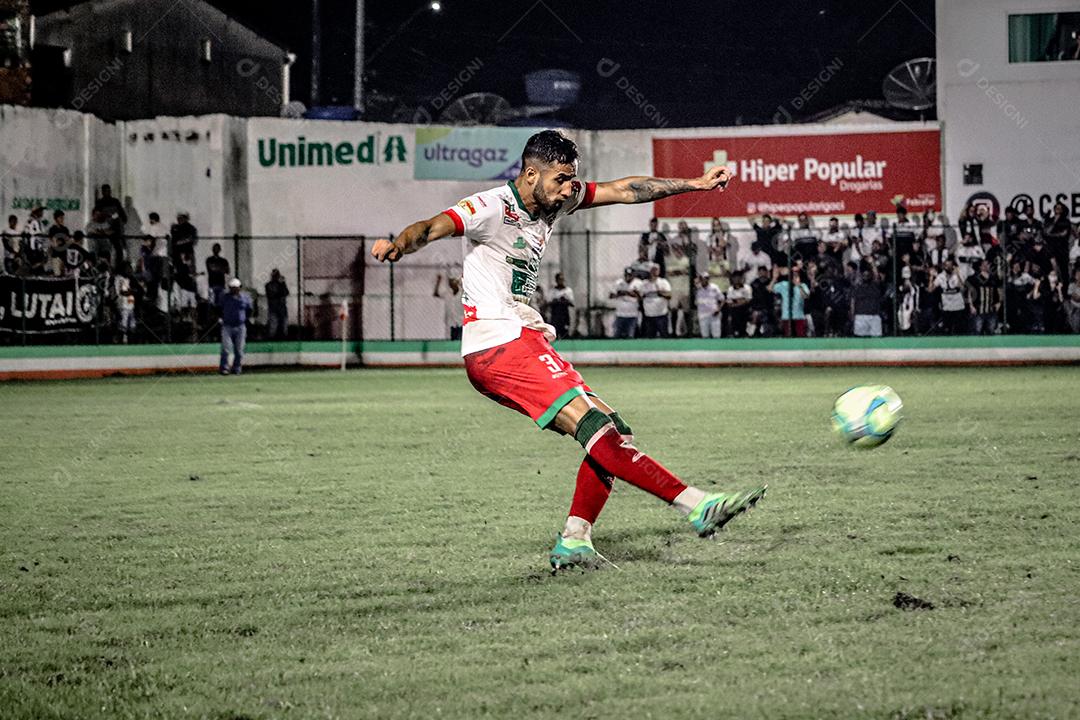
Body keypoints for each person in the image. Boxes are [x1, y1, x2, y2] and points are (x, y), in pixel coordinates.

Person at [369, 129, 765, 570]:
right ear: (531, 173)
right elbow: (431, 227)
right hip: (498, 343)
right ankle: (696, 504)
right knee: (597, 427)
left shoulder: (555, 199)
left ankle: (575, 539)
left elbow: (624, 190)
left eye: (571, 180)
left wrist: (694, 184)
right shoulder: (490, 206)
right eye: (560, 179)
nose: (567, 189)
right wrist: (399, 245)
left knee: (615, 430)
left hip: (521, 336)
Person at [218, 278, 252, 374]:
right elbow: (219, 308)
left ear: (239, 288)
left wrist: (245, 319)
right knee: (225, 348)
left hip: (240, 326)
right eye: (232, 288)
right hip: (227, 326)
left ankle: (236, 367)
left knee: (240, 350)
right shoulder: (224, 297)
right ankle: (224, 368)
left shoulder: (245, 298)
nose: (234, 289)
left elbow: (249, 310)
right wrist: (221, 318)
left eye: (236, 288)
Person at [769, 265, 809, 337]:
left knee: (801, 337)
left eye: (797, 275)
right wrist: (774, 278)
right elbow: (769, 289)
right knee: (788, 337)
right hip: (786, 316)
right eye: (793, 275)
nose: (795, 277)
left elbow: (805, 296)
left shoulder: (803, 286)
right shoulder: (784, 284)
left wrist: (798, 285)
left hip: (799, 316)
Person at [966, 259, 1000, 335]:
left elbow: (997, 290)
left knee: (991, 330)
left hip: (991, 309)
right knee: (977, 330)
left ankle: (989, 346)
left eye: (987, 264)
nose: (986, 266)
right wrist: (971, 306)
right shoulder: (974, 278)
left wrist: (998, 302)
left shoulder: (993, 278)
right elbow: (970, 293)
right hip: (978, 309)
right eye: (984, 264)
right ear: (980, 267)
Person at [638, 263, 672, 337]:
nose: (654, 271)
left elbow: (669, 295)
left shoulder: (663, 282)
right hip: (649, 315)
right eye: (653, 269)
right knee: (650, 337)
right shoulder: (644, 283)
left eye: (656, 270)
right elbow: (640, 297)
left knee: (664, 336)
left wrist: (660, 292)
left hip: (661, 315)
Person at [934, 259, 966, 334]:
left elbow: (962, 288)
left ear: (953, 266)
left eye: (949, 265)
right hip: (947, 308)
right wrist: (931, 276)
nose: (947, 267)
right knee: (946, 330)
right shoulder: (941, 276)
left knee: (958, 330)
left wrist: (957, 274)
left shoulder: (958, 275)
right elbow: (931, 289)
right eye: (946, 265)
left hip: (958, 307)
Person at [609, 267, 641, 338]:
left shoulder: (638, 283)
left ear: (633, 275)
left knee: (630, 335)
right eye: (626, 275)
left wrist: (630, 293)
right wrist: (621, 293)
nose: (628, 277)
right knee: (617, 335)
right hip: (620, 313)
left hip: (632, 314)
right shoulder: (618, 282)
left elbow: (641, 297)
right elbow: (611, 295)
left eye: (630, 275)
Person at [851, 269, 884, 337]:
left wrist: (872, 263)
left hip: (874, 316)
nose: (866, 276)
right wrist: (852, 314)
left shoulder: (876, 286)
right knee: (860, 339)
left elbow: (877, 277)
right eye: (864, 275)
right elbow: (853, 301)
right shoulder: (858, 288)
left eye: (868, 275)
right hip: (861, 316)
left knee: (876, 339)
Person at [546, 272, 575, 339]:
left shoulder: (568, 290)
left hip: (564, 314)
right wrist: (557, 300)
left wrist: (564, 300)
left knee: (564, 331)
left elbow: (572, 303)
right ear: (556, 280)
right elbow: (549, 302)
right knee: (555, 330)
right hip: (555, 314)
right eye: (559, 279)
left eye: (562, 279)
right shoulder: (552, 291)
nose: (561, 281)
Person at [694, 272, 723, 338]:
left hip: (714, 314)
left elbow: (721, 299)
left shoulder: (714, 287)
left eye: (706, 278)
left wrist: (718, 309)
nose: (704, 280)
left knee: (716, 335)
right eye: (702, 279)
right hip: (702, 315)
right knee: (705, 335)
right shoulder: (697, 289)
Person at [724, 270, 752, 338]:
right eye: (735, 278)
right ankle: (735, 333)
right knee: (733, 315)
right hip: (734, 310)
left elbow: (747, 300)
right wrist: (740, 300)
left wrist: (736, 301)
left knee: (744, 314)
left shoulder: (747, 288)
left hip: (745, 309)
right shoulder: (730, 289)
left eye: (738, 277)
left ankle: (744, 333)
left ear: (741, 278)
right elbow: (729, 301)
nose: (736, 279)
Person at [265, 268, 291, 339]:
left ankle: (284, 337)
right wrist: (280, 287)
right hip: (273, 307)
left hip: (282, 308)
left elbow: (286, 293)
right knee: (273, 325)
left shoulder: (281, 284)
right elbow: (272, 295)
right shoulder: (268, 285)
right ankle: (271, 338)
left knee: (284, 324)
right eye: (275, 275)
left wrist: (282, 283)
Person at [1066, 268, 1080, 334]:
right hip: (1074, 308)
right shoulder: (1072, 285)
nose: (1079, 275)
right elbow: (1076, 298)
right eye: (1077, 274)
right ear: (1075, 276)